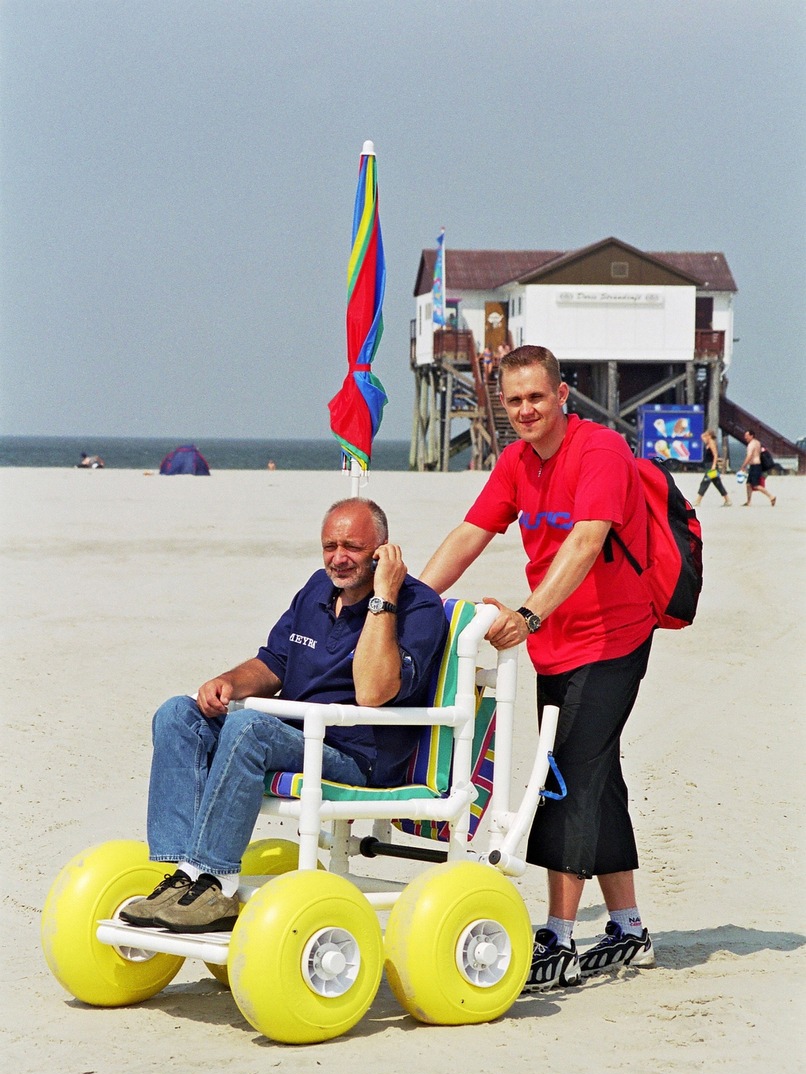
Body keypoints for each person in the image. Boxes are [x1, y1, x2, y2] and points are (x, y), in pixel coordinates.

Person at [420, 345, 657, 991]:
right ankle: (628, 927)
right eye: (514, 400)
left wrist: (526, 616)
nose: (525, 410)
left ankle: (556, 936)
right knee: (596, 776)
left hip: (612, 638)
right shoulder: (517, 461)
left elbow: (586, 540)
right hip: (557, 643)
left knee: (565, 778)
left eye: (536, 397)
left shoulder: (600, 450)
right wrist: (404, 602)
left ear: (561, 395)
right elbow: (473, 531)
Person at [120, 498, 448, 935]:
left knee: (247, 727)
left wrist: (383, 597)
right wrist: (229, 682)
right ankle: (184, 877)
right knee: (177, 714)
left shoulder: (417, 607)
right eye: (330, 545)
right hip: (291, 738)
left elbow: (372, 691)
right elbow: (274, 662)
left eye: (352, 546)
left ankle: (215, 882)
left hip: (353, 755)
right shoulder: (317, 588)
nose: (338, 558)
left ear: (383, 549)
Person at [739, 429, 776, 506]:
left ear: (751, 436)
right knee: (748, 484)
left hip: (755, 466)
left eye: (747, 436)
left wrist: (743, 466)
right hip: (756, 466)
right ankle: (749, 502)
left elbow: (749, 456)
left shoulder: (751, 445)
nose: (745, 437)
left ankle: (771, 496)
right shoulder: (758, 442)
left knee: (756, 485)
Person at [694, 429, 731, 507]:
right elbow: (702, 436)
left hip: (711, 466)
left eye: (707, 435)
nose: (705, 436)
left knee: (705, 482)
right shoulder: (708, 442)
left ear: (709, 436)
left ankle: (698, 501)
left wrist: (713, 466)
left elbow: (715, 455)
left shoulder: (711, 443)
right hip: (709, 465)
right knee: (718, 484)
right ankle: (728, 500)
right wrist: (706, 434)